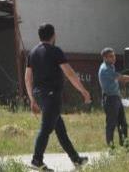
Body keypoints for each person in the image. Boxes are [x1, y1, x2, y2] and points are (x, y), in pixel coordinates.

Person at [24, 23, 91, 170]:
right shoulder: (55, 51)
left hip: (39, 95)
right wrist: (83, 91)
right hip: (51, 95)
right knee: (46, 128)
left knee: (60, 129)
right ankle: (36, 160)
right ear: (53, 35)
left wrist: (32, 98)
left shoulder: (32, 53)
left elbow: (27, 78)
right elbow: (70, 73)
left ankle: (76, 159)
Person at [97, 47, 129, 147]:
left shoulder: (110, 66)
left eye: (114, 55)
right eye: (111, 56)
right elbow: (122, 79)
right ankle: (111, 148)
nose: (114, 58)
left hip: (115, 98)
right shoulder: (106, 69)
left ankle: (125, 145)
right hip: (110, 99)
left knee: (123, 123)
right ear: (105, 58)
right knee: (111, 125)